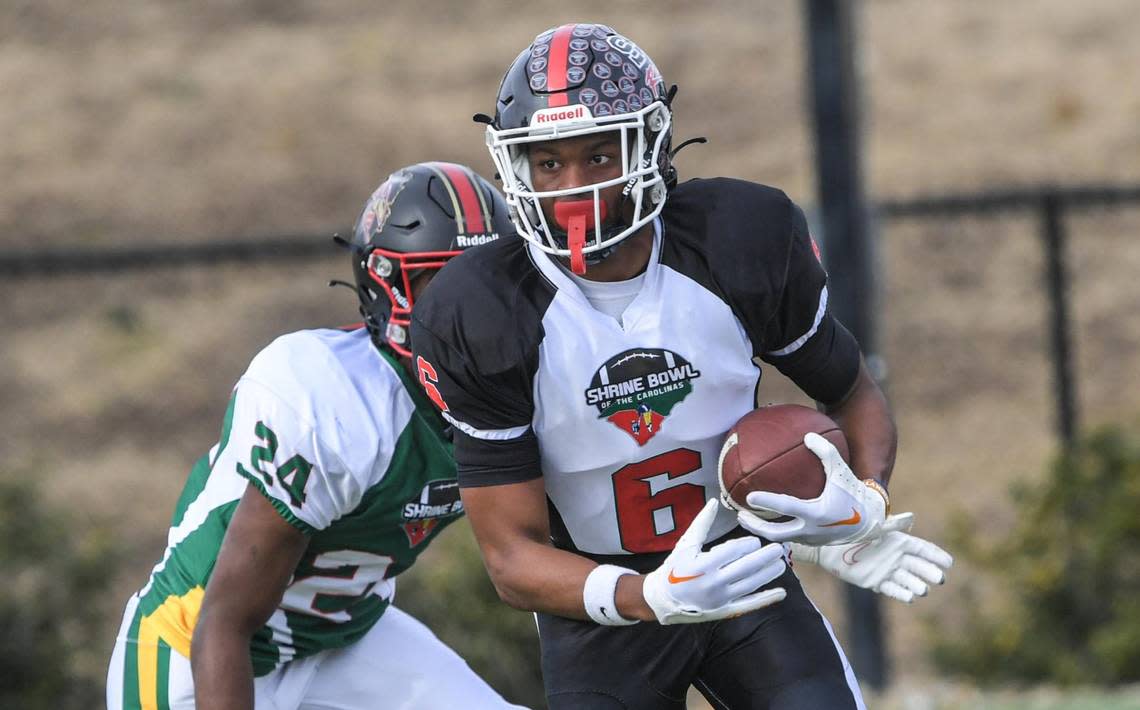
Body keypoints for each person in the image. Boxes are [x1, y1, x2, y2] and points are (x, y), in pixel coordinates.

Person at [410, 24, 953, 709]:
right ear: (516, 168)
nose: (573, 186)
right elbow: (512, 559)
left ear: (650, 146)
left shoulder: (737, 239)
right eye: (548, 164)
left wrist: (862, 505)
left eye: (600, 156)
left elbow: (852, 393)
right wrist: (646, 596)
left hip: (743, 571)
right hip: (598, 608)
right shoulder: (482, 311)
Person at [106, 162, 526, 710]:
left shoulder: (522, 381)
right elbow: (225, 622)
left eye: (481, 283)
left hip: (344, 638)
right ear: (385, 286)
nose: (464, 311)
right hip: (196, 652)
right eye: (440, 284)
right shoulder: (337, 402)